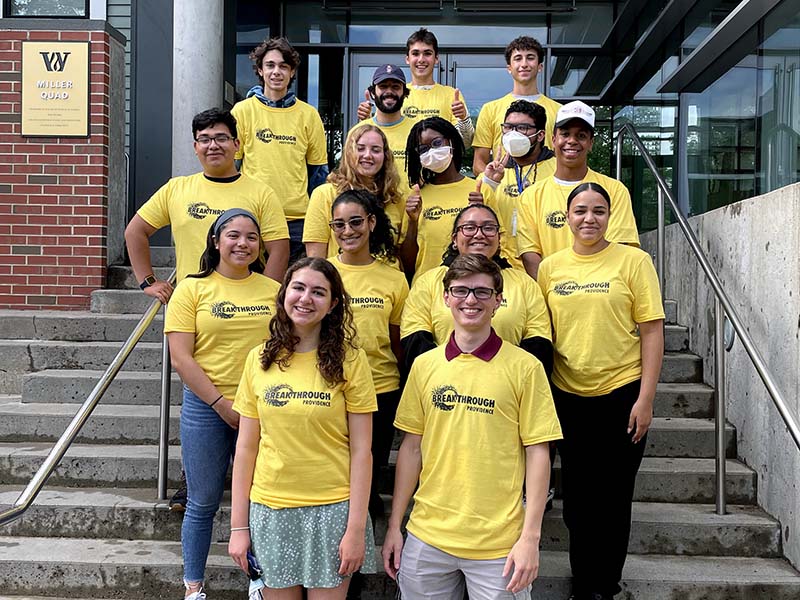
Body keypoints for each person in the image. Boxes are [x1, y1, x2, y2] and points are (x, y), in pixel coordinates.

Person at [383, 253, 563, 600]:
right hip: (427, 537)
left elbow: (539, 452)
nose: (470, 300)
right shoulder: (424, 366)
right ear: (446, 297)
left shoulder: (526, 368)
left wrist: (530, 538)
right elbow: (411, 448)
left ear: (499, 301)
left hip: (500, 545)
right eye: (461, 290)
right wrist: (395, 527)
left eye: (482, 292)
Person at [537, 182, 664, 600]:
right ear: (567, 217)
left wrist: (645, 400)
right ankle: (582, 580)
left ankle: (602, 586)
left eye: (598, 211)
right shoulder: (550, 268)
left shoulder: (633, 261)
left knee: (612, 499)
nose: (589, 218)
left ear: (610, 217)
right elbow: (544, 333)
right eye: (580, 211)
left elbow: (651, 330)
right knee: (576, 501)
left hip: (621, 394)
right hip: (568, 396)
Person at [229, 257, 378, 598]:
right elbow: (246, 448)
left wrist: (355, 528)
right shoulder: (258, 359)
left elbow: (362, 451)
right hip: (272, 510)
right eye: (298, 287)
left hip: (333, 511)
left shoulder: (351, 360)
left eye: (318, 292)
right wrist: (239, 527)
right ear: (283, 295)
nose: (306, 298)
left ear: (333, 304)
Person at [163, 208, 281, 600]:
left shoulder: (272, 290)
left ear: (260, 246)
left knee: (260, 499)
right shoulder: (191, 289)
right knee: (202, 501)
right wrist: (220, 403)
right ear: (216, 242)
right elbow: (181, 358)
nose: (242, 243)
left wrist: (249, 405)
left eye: (251, 237)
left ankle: (259, 581)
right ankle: (193, 586)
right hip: (204, 405)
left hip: (263, 407)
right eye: (233, 235)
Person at [125, 108, 290, 299]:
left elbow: (279, 250)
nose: (213, 145)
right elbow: (134, 232)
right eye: (204, 139)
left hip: (243, 302)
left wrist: (265, 296)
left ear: (236, 144)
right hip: (190, 302)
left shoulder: (262, 193)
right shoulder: (175, 189)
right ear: (196, 147)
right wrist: (148, 282)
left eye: (221, 138)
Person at [327, 189, 409, 521]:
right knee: (337, 478)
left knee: (370, 477)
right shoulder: (322, 273)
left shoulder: (395, 279)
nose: (348, 231)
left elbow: (397, 342)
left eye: (356, 222)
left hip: (381, 390)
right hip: (331, 388)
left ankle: (359, 559)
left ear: (372, 223)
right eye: (339, 224)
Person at [400, 203, 551, 375]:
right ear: (454, 239)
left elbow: (539, 343)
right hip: (443, 386)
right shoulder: (427, 282)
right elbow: (414, 341)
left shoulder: (524, 283)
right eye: (469, 228)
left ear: (499, 238)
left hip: (508, 386)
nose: (479, 234)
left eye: (488, 228)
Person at [517, 101, 640, 280]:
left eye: (581, 135)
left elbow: (621, 247)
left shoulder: (615, 190)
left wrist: (586, 292)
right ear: (553, 140)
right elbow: (529, 254)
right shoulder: (530, 196)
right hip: (551, 297)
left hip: (601, 295)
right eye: (565, 134)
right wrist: (556, 293)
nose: (572, 141)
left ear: (591, 143)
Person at [232, 37, 329, 262]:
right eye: (270, 65)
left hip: (297, 221)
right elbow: (233, 168)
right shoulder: (242, 111)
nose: (277, 72)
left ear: (292, 72)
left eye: (283, 66)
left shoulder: (308, 114)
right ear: (260, 70)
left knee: (294, 290)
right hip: (253, 217)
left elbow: (318, 175)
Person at [400, 116, 485, 282]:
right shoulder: (416, 197)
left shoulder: (479, 190)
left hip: (471, 290)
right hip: (427, 291)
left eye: (437, 143)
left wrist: (481, 214)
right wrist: (412, 221)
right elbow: (407, 263)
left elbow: (498, 247)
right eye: (423, 149)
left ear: (451, 142)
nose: (431, 151)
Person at [355, 28, 474, 146]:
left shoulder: (451, 95)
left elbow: (466, 142)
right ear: (407, 59)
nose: (421, 59)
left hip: (438, 164)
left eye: (427, 53)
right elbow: (379, 135)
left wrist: (463, 118)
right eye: (415, 53)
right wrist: (365, 120)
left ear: (436, 58)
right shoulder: (396, 93)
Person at [304, 124, 406, 260]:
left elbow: (401, 255)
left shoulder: (395, 199)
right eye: (360, 149)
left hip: (388, 279)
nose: (368, 155)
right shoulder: (324, 195)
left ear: (385, 156)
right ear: (348, 153)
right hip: (340, 279)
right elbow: (315, 260)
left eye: (376, 150)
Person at [479, 100, 556, 269]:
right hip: (502, 271)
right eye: (508, 127)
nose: (513, 133)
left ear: (541, 135)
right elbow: (473, 216)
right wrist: (489, 183)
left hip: (546, 268)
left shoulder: (558, 169)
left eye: (522, 128)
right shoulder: (492, 172)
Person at [472, 36, 562, 175]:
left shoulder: (559, 110)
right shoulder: (490, 109)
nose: (524, 64)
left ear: (540, 67)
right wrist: (496, 182)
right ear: (509, 68)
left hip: (545, 191)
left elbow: (563, 158)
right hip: (502, 193)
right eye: (518, 58)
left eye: (530, 57)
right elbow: (478, 162)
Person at [349, 64, 415, 169]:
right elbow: (350, 171)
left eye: (396, 87)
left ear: (405, 93)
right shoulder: (357, 131)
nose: (389, 91)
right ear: (373, 93)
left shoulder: (417, 131)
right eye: (383, 86)